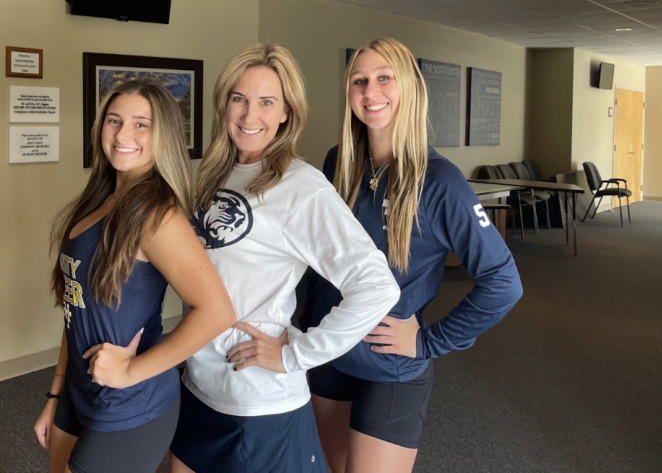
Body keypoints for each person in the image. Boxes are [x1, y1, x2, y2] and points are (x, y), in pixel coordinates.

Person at [168, 43, 401, 473]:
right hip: (198, 385)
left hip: (259, 403)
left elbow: (376, 285)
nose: (249, 114)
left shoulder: (300, 187)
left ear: (285, 114)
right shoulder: (210, 173)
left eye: (266, 102)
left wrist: (296, 354)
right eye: (238, 98)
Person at [302, 38, 524, 473]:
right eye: (359, 81)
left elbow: (503, 282)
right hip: (328, 351)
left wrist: (429, 341)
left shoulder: (441, 181)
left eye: (384, 78)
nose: (371, 92)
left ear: (410, 88)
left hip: (390, 365)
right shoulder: (338, 163)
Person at [34, 79, 236, 473]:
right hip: (80, 388)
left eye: (141, 124)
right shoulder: (99, 200)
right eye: (114, 120)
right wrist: (55, 394)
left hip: (131, 403)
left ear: (163, 136)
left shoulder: (156, 215)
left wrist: (130, 371)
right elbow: (76, 308)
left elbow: (216, 311)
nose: (123, 134)